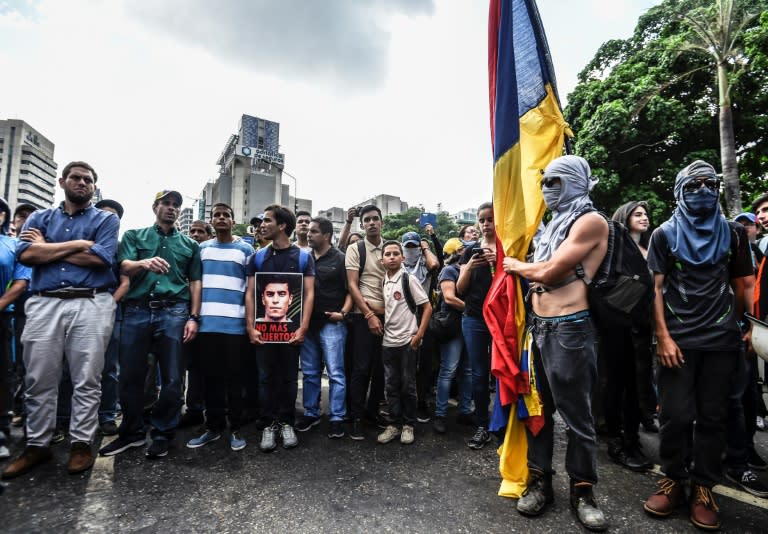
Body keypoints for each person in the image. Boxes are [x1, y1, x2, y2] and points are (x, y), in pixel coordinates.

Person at [642, 161, 752, 531]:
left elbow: (742, 285)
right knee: (674, 415)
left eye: (709, 183)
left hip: (722, 341)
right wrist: (664, 337)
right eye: (694, 185)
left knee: (713, 417)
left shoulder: (734, 234)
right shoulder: (664, 234)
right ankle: (673, 479)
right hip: (678, 341)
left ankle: (704, 486)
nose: (703, 190)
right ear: (679, 190)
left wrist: (742, 326)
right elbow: (655, 289)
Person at [502, 155, 609, 531]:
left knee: (578, 416)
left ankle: (583, 490)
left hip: (570, 329)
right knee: (537, 411)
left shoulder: (590, 221)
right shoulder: (549, 227)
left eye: (556, 182)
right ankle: (539, 481)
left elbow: (549, 271)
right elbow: (542, 274)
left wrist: (516, 266)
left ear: (578, 182)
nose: (548, 189)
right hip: (539, 328)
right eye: (544, 181)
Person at [2, 161, 119, 479]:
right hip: (45, 303)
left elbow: (103, 258)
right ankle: (37, 445)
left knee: (87, 378)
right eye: (76, 178)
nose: (82, 183)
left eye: (89, 180)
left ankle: (81, 443)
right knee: (38, 378)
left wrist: (46, 248)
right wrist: (81, 245)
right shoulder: (40, 217)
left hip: (91, 302)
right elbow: (25, 255)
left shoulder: (105, 220)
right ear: (62, 181)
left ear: (95, 186)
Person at [98, 190, 202, 460]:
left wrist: (193, 317)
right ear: (155, 207)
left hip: (174, 312)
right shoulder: (134, 236)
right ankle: (131, 432)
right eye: (166, 203)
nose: (171, 208)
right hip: (137, 310)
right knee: (130, 376)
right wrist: (143, 262)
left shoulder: (190, 245)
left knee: (172, 378)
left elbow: (195, 283)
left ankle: (162, 433)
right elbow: (124, 266)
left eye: (176, 205)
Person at [245, 205, 314, 452]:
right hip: (263, 333)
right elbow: (251, 294)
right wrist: (251, 327)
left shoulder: (304, 257)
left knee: (287, 378)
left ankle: (286, 422)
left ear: (282, 225)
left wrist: (303, 327)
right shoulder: (257, 257)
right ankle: (267, 424)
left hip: (291, 333)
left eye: (267, 220)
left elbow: (308, 294)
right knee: (265, 378)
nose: (262, 225)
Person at [186, 203, 253, 452]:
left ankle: (235, 428)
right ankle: (213, 428)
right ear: (211, 221)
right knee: (210, 380)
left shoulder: (246, 249)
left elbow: (250, 288)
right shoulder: (201, 249)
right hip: (207, 325)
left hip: (235, 326)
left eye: (226, 215)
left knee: (235, 380)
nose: (222, 218)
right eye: (217, 215)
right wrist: (194, 317)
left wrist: (248, 322)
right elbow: (196, 284)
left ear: (233, 221)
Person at [598, 201, 654, 472]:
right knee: (617, 384)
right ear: (624, 217)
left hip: (643, 327)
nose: (644, 218)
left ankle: (632, 436)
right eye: (638, 214)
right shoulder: (611, 244)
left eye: (646, 214)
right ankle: (620, 440)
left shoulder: (650, 249)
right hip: (617, 326)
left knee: (637, 384)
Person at [296, 217, 350, 438]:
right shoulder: (303, 258)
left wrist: (343, 313)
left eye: (314, 232)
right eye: (308, 231)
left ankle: (337, 417)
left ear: (327, 236)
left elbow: (350, 290)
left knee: (336, 373)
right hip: (307, 325)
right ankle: (311, 412)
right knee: (309, 373)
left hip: (332, 324)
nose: (309, 235)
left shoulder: (340, 258)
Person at [376, 241, 432, 445]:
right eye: (387, 254)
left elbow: (427, 308)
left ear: (402, 258)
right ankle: (394, 424)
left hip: (407, 341)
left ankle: (409, 425)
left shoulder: (409, 279)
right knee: (390, 385)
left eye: (395, 253)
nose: (391, 257)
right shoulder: (384, 280)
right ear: (382, 260)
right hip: (388, 342)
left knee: (408, 385)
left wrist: (418, 335)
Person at [456, 202, 497, 450]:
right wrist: (470, 265)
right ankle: (482, 424)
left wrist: (499, 261)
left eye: (490, 219)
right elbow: (460, 289)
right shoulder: (469, 250)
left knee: (505, 371)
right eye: (481, 220)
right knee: (479, 373)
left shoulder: (508, 246)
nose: (485, 224)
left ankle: (505, 422)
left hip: (503, 317)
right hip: (474, 317)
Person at [345, 204, 387, 440]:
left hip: (388, 315)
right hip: (363, 316)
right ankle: (357, 417)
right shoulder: (355, 248)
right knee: (361, 368)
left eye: (375, 219)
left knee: (381, 369)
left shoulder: (390, 248)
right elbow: (352, 284)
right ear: (362, 225)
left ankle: (373, 412)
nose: (371, 223)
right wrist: (369, 315)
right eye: (367, 220)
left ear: (381, 222)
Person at [93, 199, 129, 436]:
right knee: (67, 369)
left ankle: (107, 415)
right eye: (102, 214)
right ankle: (64, 416)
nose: (107, 219)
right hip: (76, 305)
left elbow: (125, 283)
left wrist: (107, 305)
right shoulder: (81, 242)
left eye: (113, 216)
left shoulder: (119, 247)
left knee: (108, 368)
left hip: (109, 311)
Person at [433, 238, 473, 433]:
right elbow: (449, 298)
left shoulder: (471, 269)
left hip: (468, 324)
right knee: (448, 370)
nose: (467, 250)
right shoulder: (449, 270)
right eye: (463, 248)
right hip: (454, 325)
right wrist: (474, 310)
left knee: (467, 370)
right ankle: (440, 414)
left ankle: (465, 410)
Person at [0, 198, 31, 442]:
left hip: (9, 315)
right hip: (15, 314)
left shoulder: (12, 246)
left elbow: (21, 282)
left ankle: (5, 424)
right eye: (20, 216)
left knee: (10, 369)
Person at [178, 219, 213, 429]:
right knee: (186, 366)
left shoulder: (210, 255)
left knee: (204, 367)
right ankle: (191, 409)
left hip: (207, 318)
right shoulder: (186, 255)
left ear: (209, 236)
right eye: (192, 231)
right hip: (184, 316)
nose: (196, 234)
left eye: (201, 231)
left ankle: (207, 408)